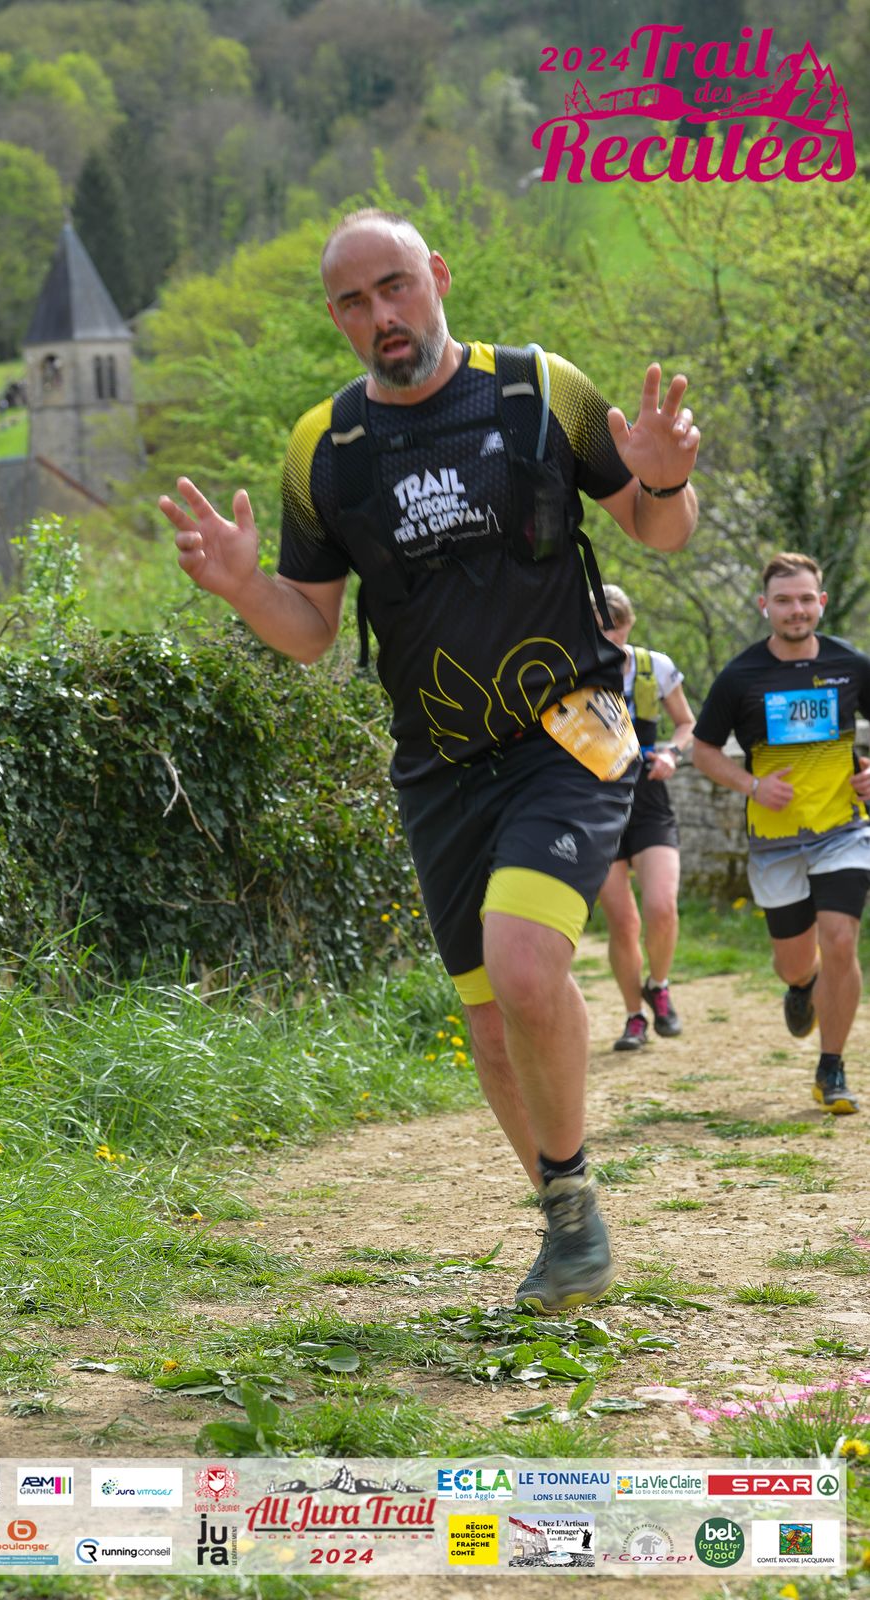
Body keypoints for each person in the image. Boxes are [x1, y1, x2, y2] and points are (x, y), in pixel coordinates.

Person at [159, 209, 700, 1309]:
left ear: (437, 276)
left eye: (395, 285)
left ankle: (569, 1207)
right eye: (354, 301)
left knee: (525, 966)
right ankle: (568, 1222)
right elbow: (310, 630)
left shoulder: (537, 389)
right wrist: (242, 586)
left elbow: (659, 532)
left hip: (571, 727)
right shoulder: (325, 448)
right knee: (491, 1022)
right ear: (336, 318)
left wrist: (660, 482)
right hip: (439, 761)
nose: (382, 315)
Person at [693, 552, 870, 1114]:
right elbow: (701, 749)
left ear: (822, 602)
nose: (797, 610)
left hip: (843, 828)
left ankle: (831, 1067)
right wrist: (751, 785)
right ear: (763, 606)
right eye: (784, 600)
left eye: (806, 599)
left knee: (840, 939)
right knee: (796, 961)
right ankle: (801, 985)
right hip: (775, 842)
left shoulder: (851, 665)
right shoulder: (740, 676)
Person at [595, 583, 695, 1051]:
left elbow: (687, 723)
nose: (609, 637)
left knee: (661, 906)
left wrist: (672, 753)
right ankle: (634, 1016)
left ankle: (659, 985)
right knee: (623, 922)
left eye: (615, 627)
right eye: (599, 629)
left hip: (651, 800)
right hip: (596, 805)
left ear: (630, 624)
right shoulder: (569, 671)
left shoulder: (656, 667)